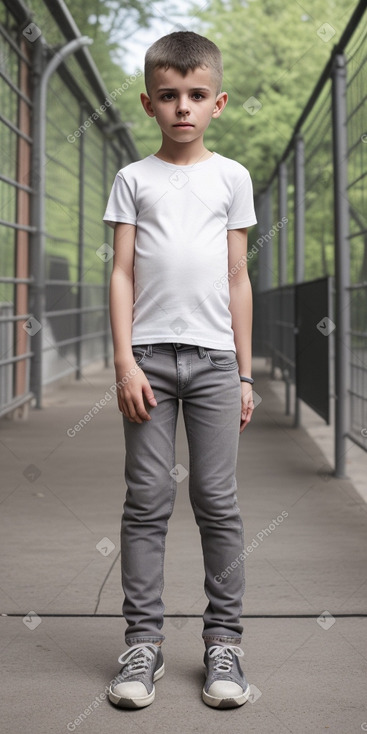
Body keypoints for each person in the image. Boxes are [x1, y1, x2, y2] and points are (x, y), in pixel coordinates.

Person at [103, 30, 257, 710]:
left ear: (217, 101)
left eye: (196, 96)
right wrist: (124, 362)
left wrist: (246, 374)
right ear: (149, 102)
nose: (182, 108)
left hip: (217, 362)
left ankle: (224, 643)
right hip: (150, 365)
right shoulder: (133, 179)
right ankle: (142, 646)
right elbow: (119, 272)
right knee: (146, 503)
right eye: (169, 96)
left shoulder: (232, 178)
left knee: (216, 503)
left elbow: (236, 277)